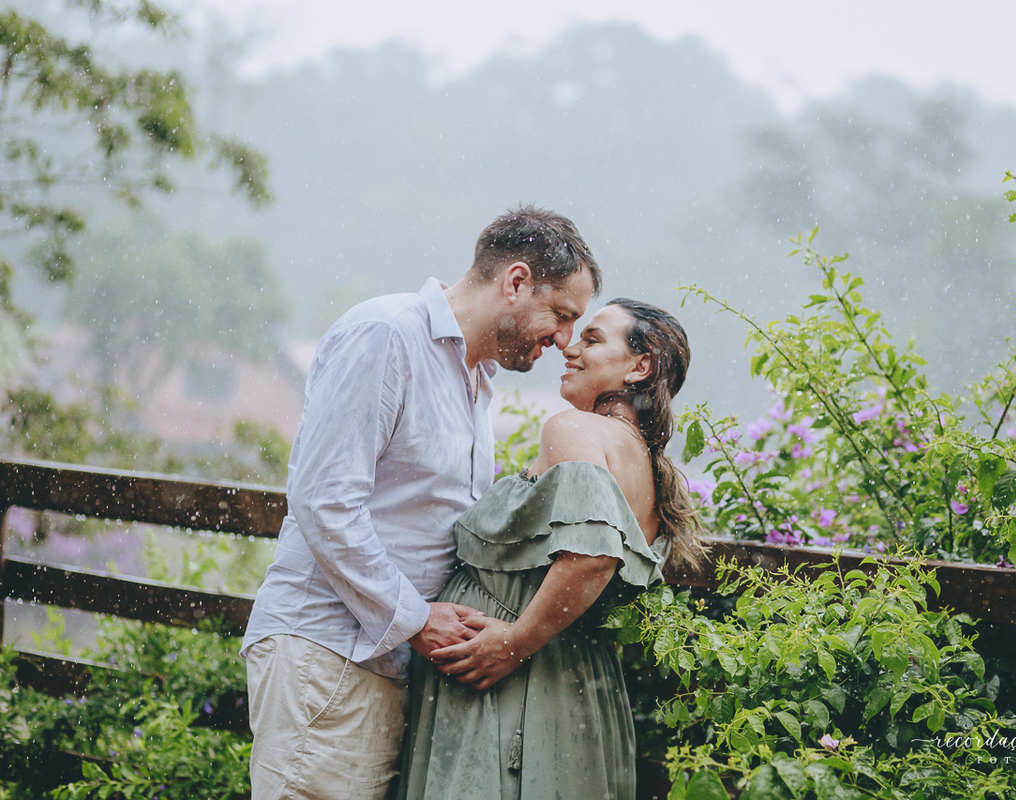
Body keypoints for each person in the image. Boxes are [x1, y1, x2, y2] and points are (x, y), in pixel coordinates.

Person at [240, 205, 602, 800]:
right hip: (329, 654)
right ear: (515, 282)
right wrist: (415, 618)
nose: (564, 340)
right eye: (562, 316)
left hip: (387, 664)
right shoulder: (388, 335)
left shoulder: (475, 377)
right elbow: (324, 498)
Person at [398, 298, 706, 800]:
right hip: (577, 691)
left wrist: (512, 644)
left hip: (511, 689)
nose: (569, 347)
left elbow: (593, 555)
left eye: (592, 339)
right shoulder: (647, 466)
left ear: (640, 366)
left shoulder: (574, 429)